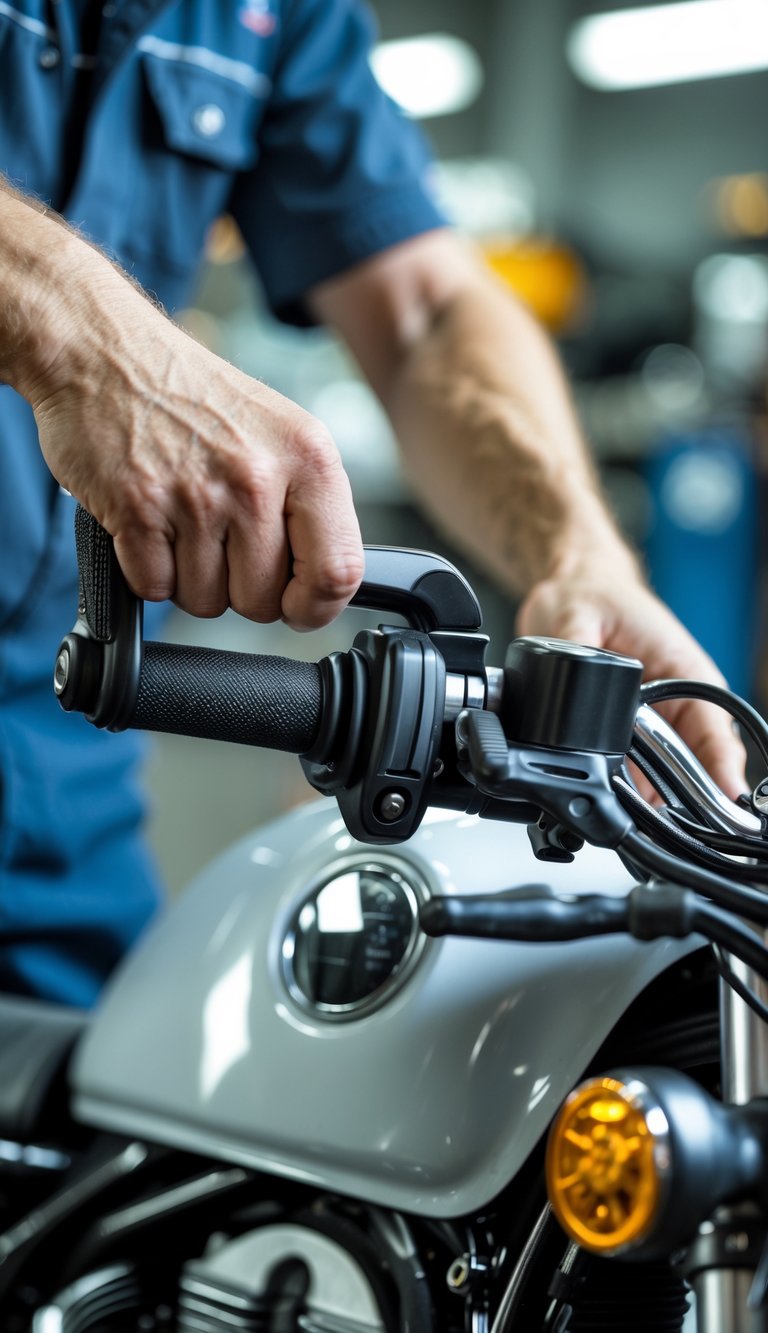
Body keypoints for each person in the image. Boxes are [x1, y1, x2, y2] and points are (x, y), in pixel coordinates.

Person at [0, 0, 746, 1006]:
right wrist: (89, 342)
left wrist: (582, 562)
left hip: (57, 791)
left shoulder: (269, 16)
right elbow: (100, 353)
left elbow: (426, 310)